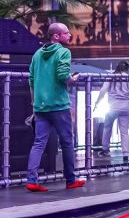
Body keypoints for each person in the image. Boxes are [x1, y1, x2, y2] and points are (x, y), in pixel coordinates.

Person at [25, 23, 86, 193]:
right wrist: (72, 79)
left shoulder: (37, 54)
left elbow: (31, 80)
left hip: (40, 107)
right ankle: (70, 180)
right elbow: (62, 75)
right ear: (56, 36)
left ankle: (31, 180)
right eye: (66, 33)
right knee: (67, 142)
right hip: (59, 106)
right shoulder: (63, 52)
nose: (70, 35)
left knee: (38, 143)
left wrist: (34, 103)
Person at [94, 60, 129, 159]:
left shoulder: (111, 76)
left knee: (107, 128)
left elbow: (103, 90)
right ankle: (125, 154)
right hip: (126, 107)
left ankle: (105, 150)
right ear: (127, 68)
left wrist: (97, 102)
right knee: (124, 131)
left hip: (112, 106)